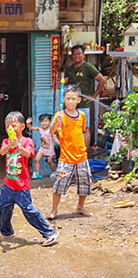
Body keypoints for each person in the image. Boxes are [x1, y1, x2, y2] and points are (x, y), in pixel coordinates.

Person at [0, 111, 58, 246]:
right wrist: (9, 145)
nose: (10, 129)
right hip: (8, 185)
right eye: (7, 127)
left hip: (21, 186)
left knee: (29, 211)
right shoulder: (6, 141)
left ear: (23, 126)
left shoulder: (27, 141)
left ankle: (49, 233)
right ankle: (6, 232)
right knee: (2, 209)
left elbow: (29, 154)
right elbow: (2, 152)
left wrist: (18, 146)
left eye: (13, 126)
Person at [47, 85, 93, 220]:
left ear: (79, 100)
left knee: (85, 183)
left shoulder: (82, 116)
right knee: (59, 184)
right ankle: (54, 210)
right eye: (68, 99)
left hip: (81, 157)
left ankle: (80, 207)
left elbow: (84, 132)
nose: (71, 101)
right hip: (65, 158)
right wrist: (55, 121)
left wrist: (85, 148)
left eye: (73, 99)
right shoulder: (59, 116)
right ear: (64, 100)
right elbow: (51, 132)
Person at [65, 45, 105, 148]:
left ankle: (84, 152)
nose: (76, 56)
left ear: (83, 55)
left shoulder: (88, 67)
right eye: (74, 54)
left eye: (79, 54)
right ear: (71, 56)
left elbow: (102, 80)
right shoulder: (69, 69)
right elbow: (65, 84)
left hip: (84, 103)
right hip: (71, 104)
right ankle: (74, 150)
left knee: (85, 128)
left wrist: (94, 96)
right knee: (72, 127)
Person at [26, 114, 59, 179]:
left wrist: (59, 143)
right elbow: (31, 127)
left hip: (50, 149)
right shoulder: (40, 129)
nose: (44, 123)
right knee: (36, 159)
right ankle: (38, 173)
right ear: (40, 122)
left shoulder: (51, 130)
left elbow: (54, 137)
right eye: (42, 121)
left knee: (50, 161)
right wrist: (28, 123)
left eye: (46, 121)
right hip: (43, 148)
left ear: (50, 122)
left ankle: (53, 172)